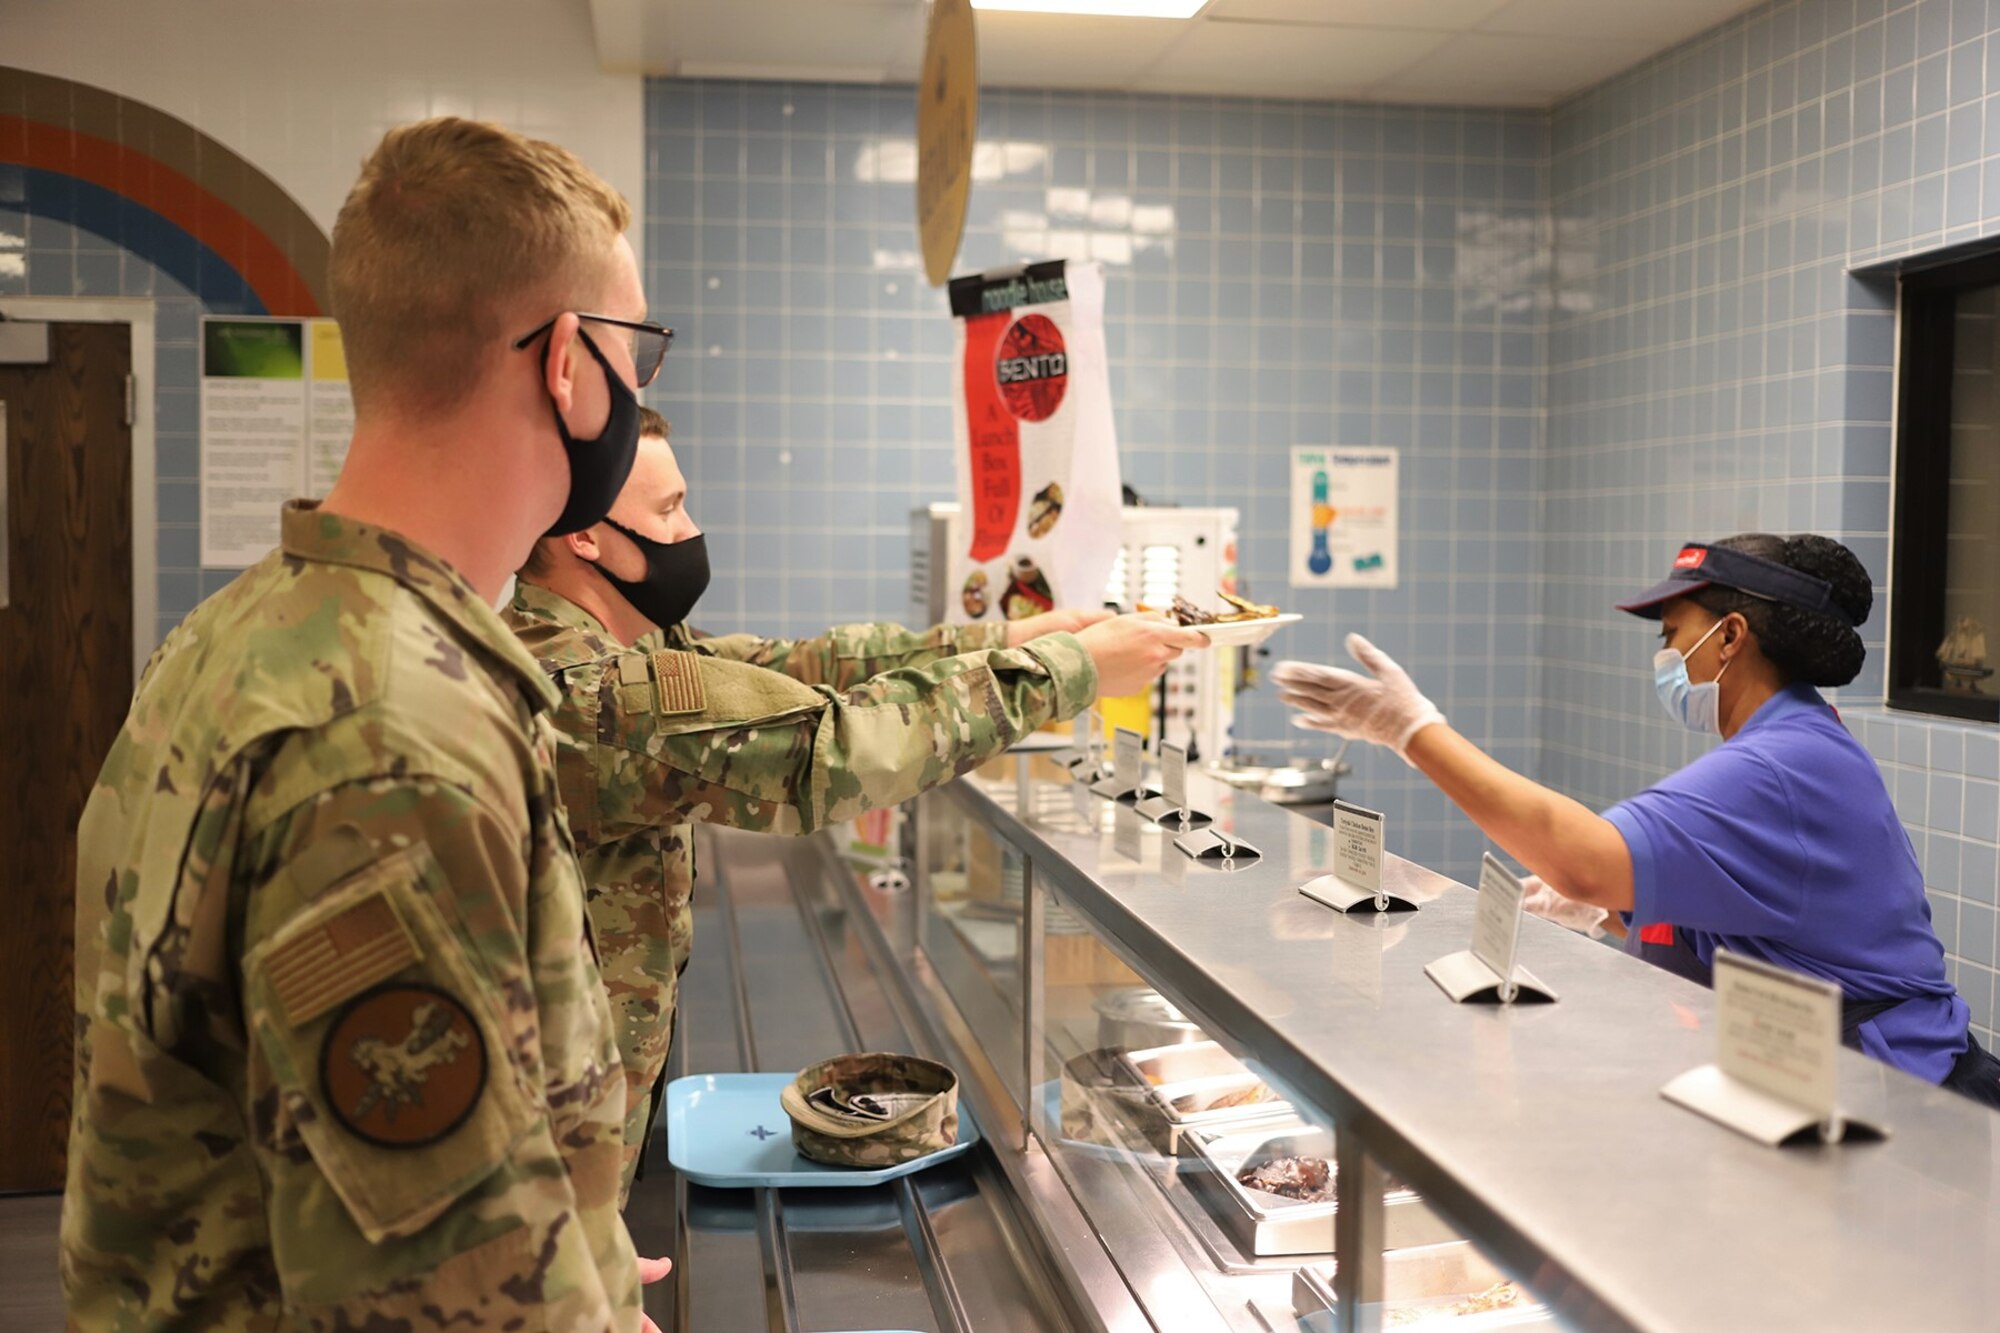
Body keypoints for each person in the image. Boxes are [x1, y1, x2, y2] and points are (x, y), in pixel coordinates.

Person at [62, 118, 670, 1329]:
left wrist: (584, 1259)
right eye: (635, 349)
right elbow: (440, 1300)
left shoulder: (251, 628)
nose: (641, 386)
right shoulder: (394, 733)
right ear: (565, 363)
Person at [507, 406, 1206, 1187]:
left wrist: (1009, 642)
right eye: (669, 509)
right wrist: (1063, 673)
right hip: (551, 1161)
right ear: (584, 534)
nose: (692, 528)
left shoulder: (627, 647)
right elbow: (835, 751)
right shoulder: (593, 691)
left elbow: (804, 667)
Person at [1272, 534, 2000, 1108]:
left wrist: (1411, 729)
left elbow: (1581, 856)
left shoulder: (1782, 765)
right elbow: (1748, 915)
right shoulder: (1791, 743)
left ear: (1731, 636)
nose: (1662, 655)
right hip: (1821, 1081)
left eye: (1671, 632)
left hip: (1902, 1105)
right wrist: (1612, 911)